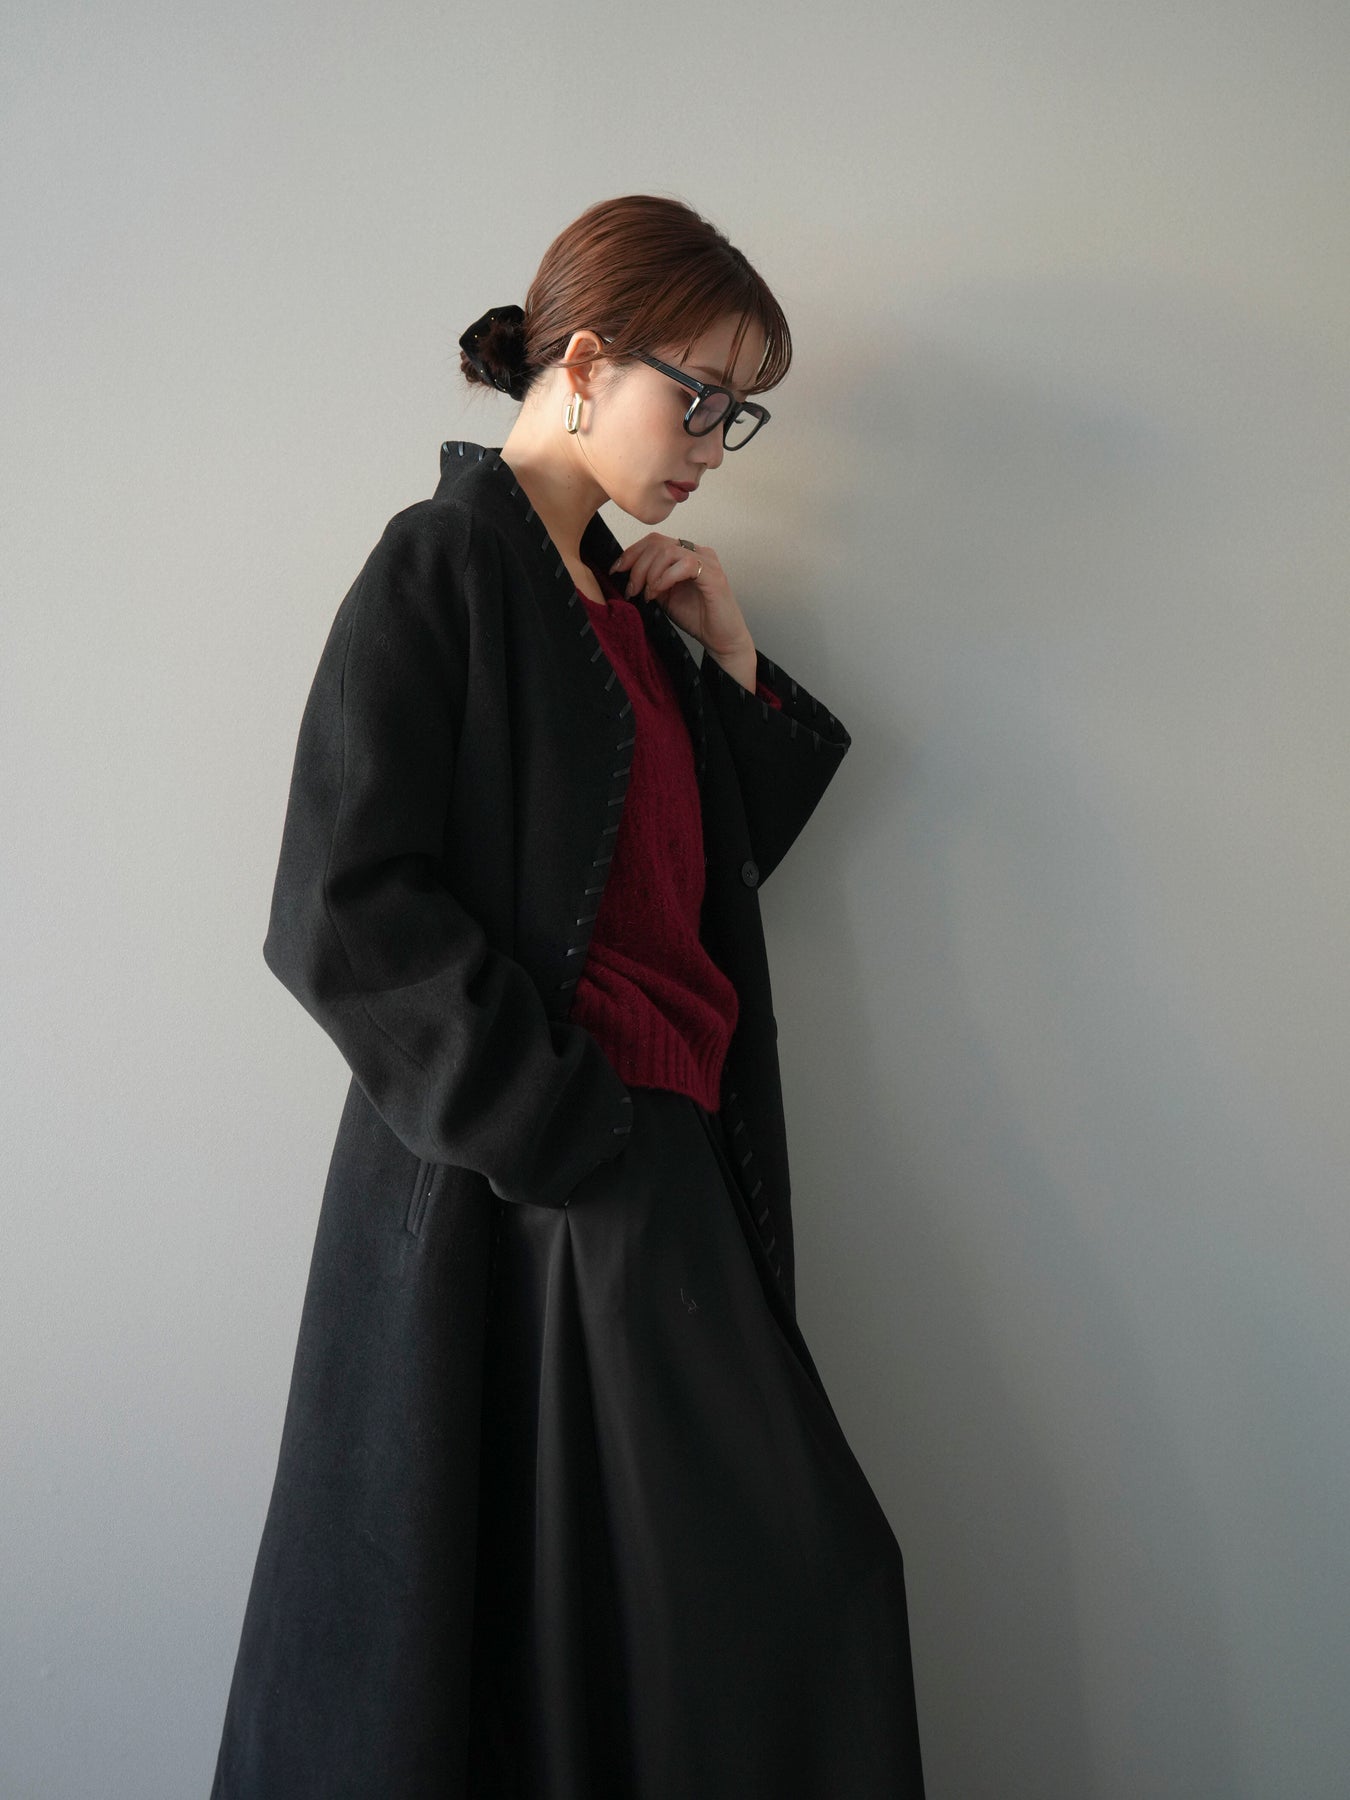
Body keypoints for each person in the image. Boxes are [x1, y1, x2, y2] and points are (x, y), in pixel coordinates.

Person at [210, 193, 926, 1799]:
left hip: (661, 1167)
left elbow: (689, 883)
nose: (716, 448)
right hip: (546, 1181)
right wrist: (554, 1125)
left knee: (656, 1642)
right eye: (703, 398)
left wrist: (725, 656)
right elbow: (338, 905)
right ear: (587, 361)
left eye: (741, 415)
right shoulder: (442, 564)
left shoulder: (628, 610)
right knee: (749, 1608)